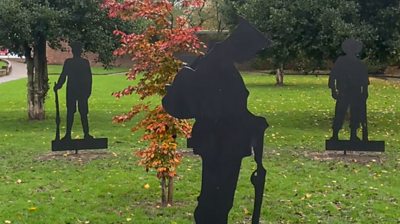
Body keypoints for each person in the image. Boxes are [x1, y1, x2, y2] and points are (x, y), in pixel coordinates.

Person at [163, 18, 270, 224]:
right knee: (216, 201)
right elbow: (221, 110)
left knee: (218, 200)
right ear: (241, 45)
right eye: (251, 51)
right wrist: (251, 123)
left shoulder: (218, 62)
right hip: (220, 143)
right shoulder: (216, 65)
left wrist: (252, 121)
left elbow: (230, 107)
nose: (250, 57)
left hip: (222, 142)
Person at [329, 39, 369, 141]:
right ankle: (335, 134)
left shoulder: (359, 64)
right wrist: (333, 89)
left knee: (355, 113)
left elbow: (364, 80)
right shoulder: (341, 61)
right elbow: (333, 75)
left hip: (355, 92)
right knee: (340, 112)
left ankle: (353, 135)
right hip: (343, 91)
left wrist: (365, 91)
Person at [54, 41, 93, 140]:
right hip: (80, 91)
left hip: (73, 90)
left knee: (73, 113)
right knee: (81, 113)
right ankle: (84, 134)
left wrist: (58, 86)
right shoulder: (83, 62)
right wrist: (88, 91)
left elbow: (63, 76)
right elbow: (89, 78)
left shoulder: (70, 62)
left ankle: (70, 134)